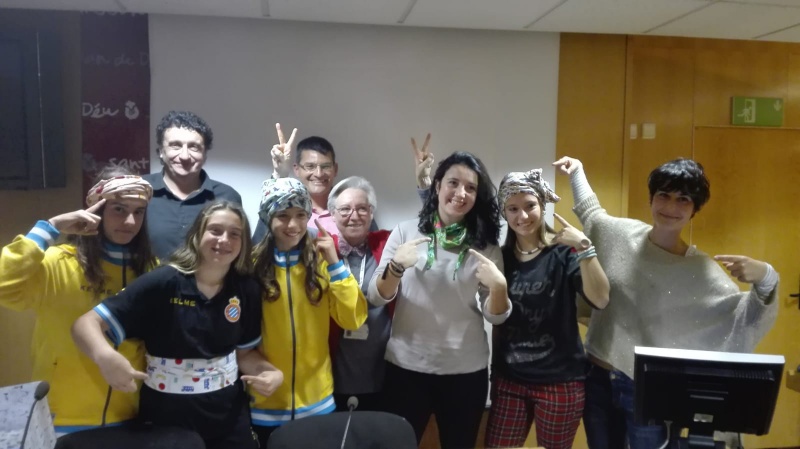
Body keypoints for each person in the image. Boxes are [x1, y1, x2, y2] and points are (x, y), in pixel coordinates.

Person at [553, 156, 779, 449]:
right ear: (651, 199)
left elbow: (744, 319)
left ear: (695, 209)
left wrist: (766, 277)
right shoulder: (620, 235)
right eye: (663, 195)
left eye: (683, 199)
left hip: (647, 389)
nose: (671, 206)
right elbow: (591, 212)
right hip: (595, 376)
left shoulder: (701, 271)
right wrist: (577, 171)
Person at [71, 201, 281, 449]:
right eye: (215, 230)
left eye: (234, 234)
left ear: (243, 242)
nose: (224, 240)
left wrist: (270, 372)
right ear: (198, 234)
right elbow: (85, 324)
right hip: (167, 418)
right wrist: (105, 357)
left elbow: (244, 354)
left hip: (229, 417)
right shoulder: (163, 282)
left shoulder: (246, 288)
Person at [368, 151, 512, 449]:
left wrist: (499, 288)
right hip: (406, 367)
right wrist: (396, 267)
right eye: (453, 183)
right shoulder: (406, 232)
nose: (461, 193)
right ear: (437, 186)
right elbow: (377, 296)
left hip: (465, 372)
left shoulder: (485, 245)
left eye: (470, 188)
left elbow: (495, 315)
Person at [0, 167, 156, 435]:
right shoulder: (58, 262)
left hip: (128, 415)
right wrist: (52, 227)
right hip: (60, 418)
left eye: (138, 211)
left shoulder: (151, 271)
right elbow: (5, 286)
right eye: (119, 209)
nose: (130, 221)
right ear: (97, 209)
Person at [484, 169, 610, 449]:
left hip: (560, 381)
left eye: (530, 205)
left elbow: (601, 299)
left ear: (542, 205)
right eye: (513, 209)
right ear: (504, 212)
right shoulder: (501, 259)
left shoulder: (564, 253)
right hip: (510, 380)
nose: (522, 216)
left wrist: (585, 247)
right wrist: (495, 373)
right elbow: (497, 320)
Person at [248, 177, 367, 443]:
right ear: (268, 218)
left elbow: (353, 319)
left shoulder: (322, 261)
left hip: (318, 402)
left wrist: (335, 264)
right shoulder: (251, 266)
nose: (293, 225)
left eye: (301, 215)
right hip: (265, 402)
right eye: (283, 215)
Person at [326, 176, 393, 412]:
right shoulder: (321, 250)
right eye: (345, 209)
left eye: (362, 208)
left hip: (382, 371)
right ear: (332, 214)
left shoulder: (387, 245)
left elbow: (427, 229)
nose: (354, 216)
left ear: (371, 213)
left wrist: (424, 186)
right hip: (332, 373)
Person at [144, 110, 242, 260]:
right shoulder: (139, 190)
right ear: (161, 152)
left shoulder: (228, 196)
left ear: (205, 155)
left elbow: (237, 252)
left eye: (194, 147)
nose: (184, 156)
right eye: (175, 146)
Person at [253, 125, 340, 240]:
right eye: (310, 166)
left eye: (326, 166)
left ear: (335, 169)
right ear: (297, 169)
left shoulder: (351, 209)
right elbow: (258, 244)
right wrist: (280, 175)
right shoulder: (284, 207)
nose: (319, 174)